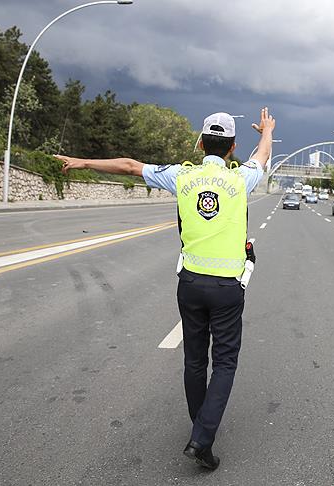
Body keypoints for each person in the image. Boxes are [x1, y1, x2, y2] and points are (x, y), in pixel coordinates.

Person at [54, 107, 276, 471]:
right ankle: (202, 438)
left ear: (201, 143)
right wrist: (266, 130)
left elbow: (128, 166)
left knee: (193, 360)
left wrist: (82, 162)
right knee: (224, 363)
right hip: (226, 289)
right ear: (233, 148)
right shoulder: (242, 180)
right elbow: (262, 155)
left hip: (189, 284)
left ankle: (199, 430)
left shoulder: (181, 177)